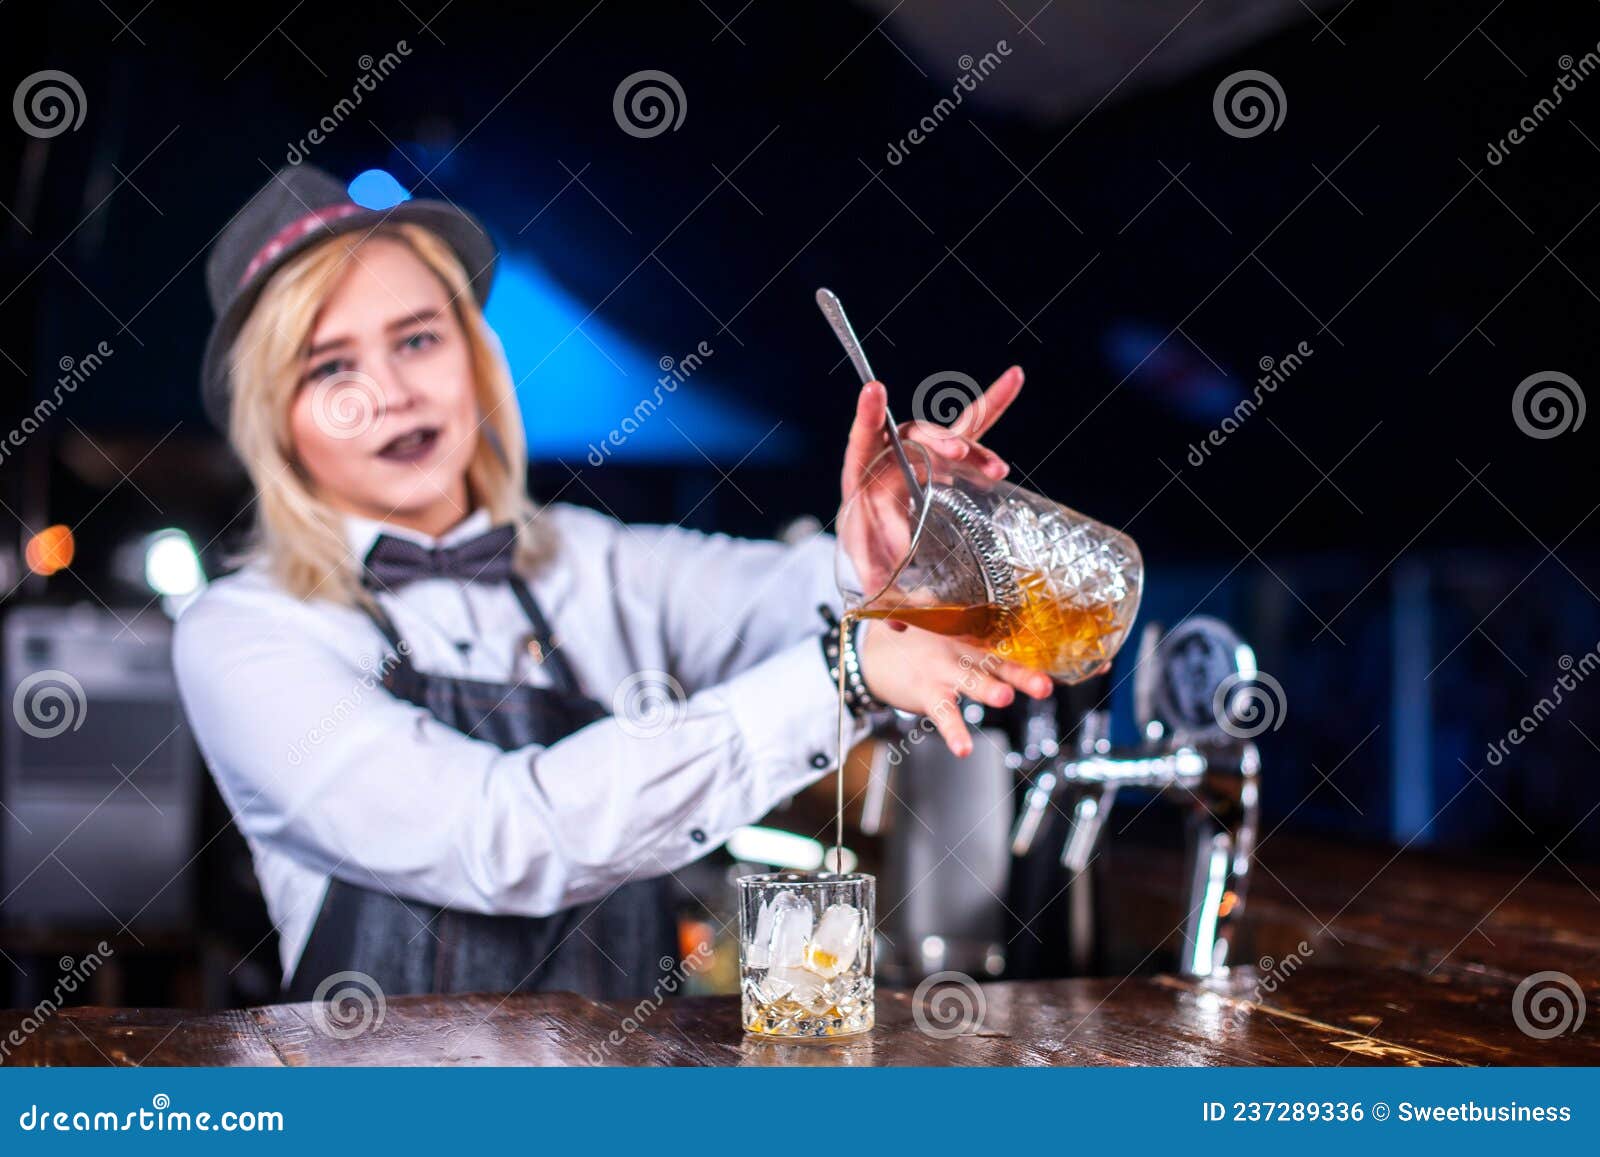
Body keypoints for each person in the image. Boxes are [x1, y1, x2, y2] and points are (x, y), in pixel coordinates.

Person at [173, 165, 1053, 1001]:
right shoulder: (245, 634)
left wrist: (888, 551)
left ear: (475, 358)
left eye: (417, 338)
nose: (391, 393)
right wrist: (844, 668)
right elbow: (502, 837)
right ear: (276, 422)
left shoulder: (590, 560)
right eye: (331, 368)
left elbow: (798, 594)